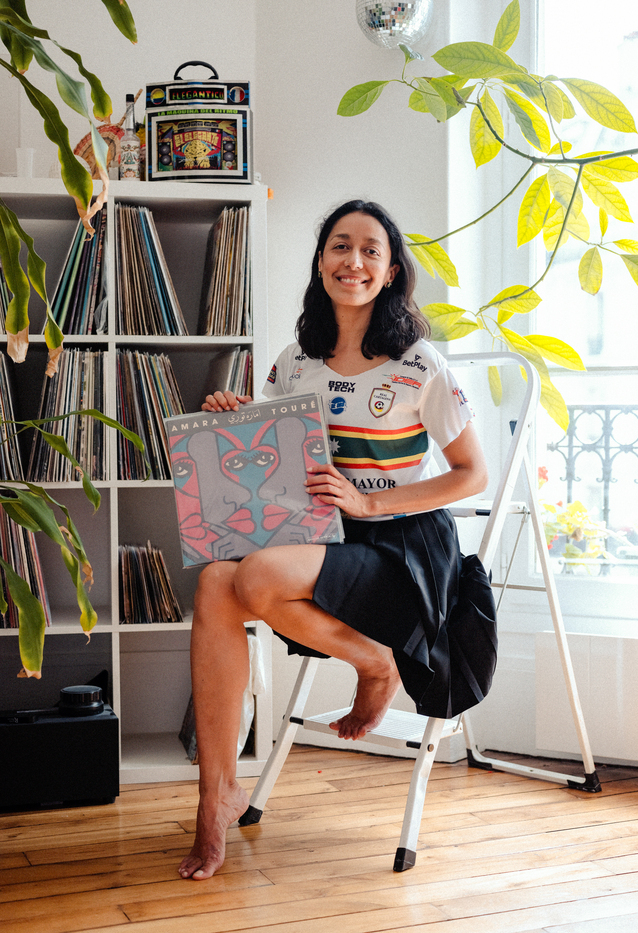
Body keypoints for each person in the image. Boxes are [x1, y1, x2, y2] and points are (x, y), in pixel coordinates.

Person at [178, 199, 490, 881]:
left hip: (407, 550)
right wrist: (238, 416)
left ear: (391, 270)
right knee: (213, 582)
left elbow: (473, 474)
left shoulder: (417, 362)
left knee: (254, 576)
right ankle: (217, 794)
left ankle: (376, 663)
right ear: (321, 261)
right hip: (328, 537)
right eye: (340, 246)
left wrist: (372, 498)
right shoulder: (297, 360)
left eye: (371, 250)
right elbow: (277, 452)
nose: (354, 261)